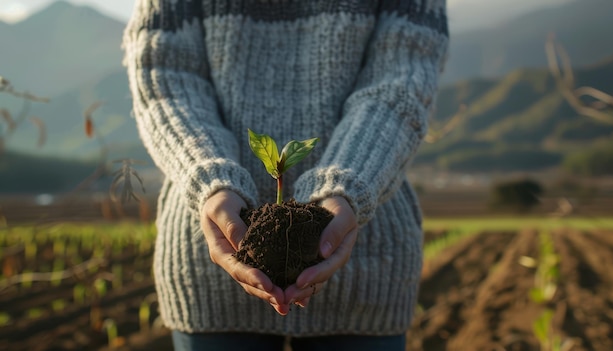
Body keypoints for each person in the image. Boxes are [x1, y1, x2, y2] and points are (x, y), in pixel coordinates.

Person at [123, 0, 448, 350]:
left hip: (366, 265)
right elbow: (164, 76)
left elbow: (403, 78)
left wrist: (348, 184)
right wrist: (211, 180)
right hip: (211, 263)